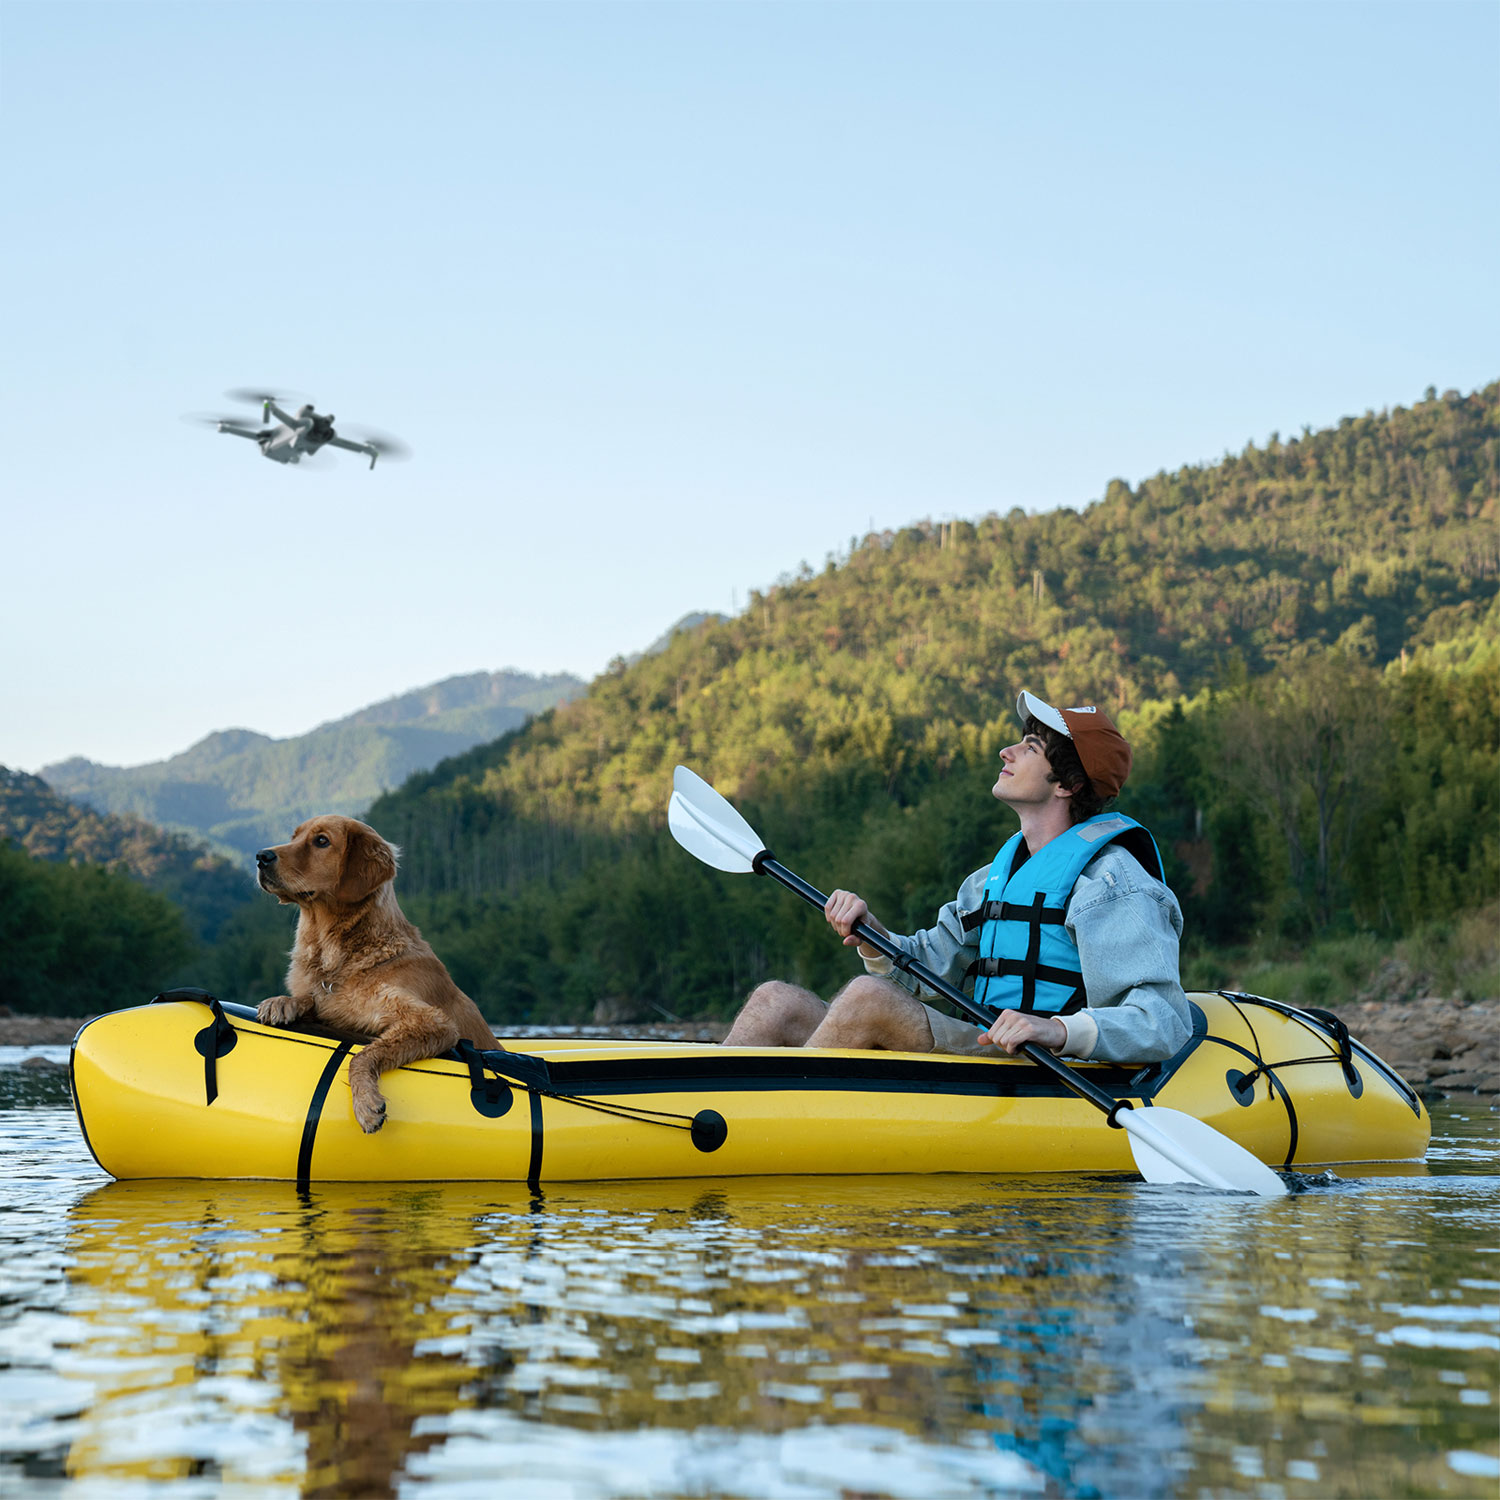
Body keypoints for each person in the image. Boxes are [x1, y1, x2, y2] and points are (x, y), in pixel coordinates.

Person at [722, 691, 1191, 1064]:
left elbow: (1163, 1021)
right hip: (986, 1045)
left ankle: (780, 1120)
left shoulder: (1112, 884)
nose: (1006, 751)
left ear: (1067, 785)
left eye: (1029, 748)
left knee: (869, 998)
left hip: (1043, 1068)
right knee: (774, 1001)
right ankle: (715, 1111)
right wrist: (875, 936)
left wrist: (1055, 1029)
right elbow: (925, 967)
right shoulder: (991, 879)